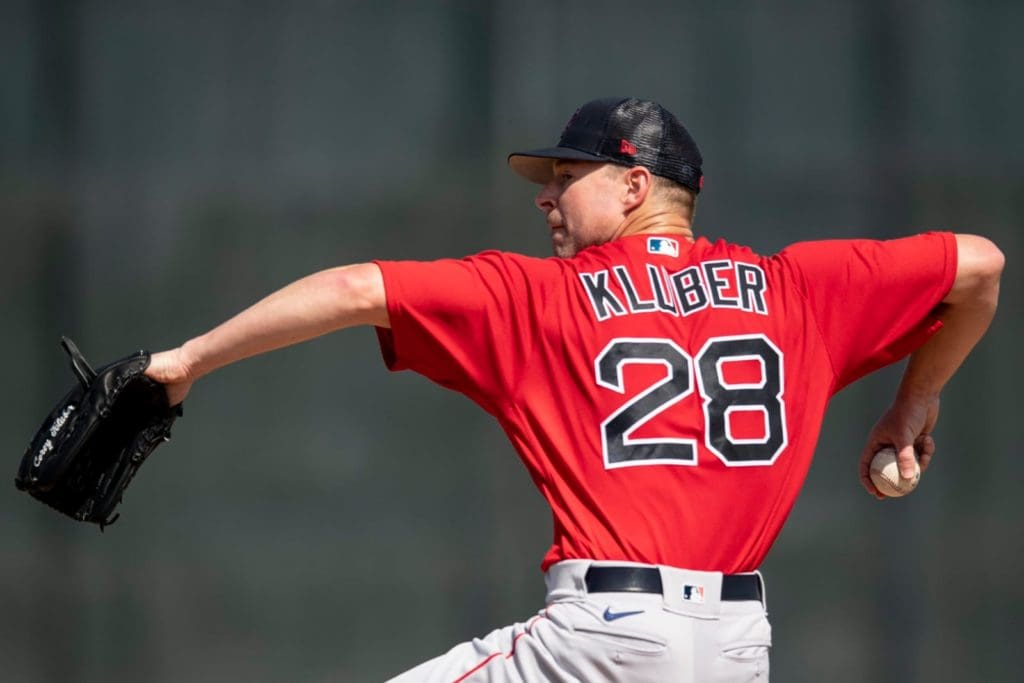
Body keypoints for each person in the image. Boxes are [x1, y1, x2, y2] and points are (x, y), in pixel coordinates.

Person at [144, 97, 1004, 682]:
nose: (546, 197)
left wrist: (186, 361)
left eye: (567, 176)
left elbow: (352, 291)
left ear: (635, 186)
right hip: (737, 647)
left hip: (604, 639)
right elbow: (981, 267)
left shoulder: (540, 295)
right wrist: (912, 401)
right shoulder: (799, 287)